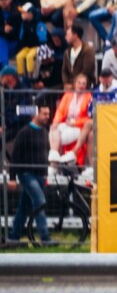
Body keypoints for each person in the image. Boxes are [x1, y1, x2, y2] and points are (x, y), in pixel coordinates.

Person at [7, 99, 52, 243]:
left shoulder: (45, 131)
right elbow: (15, 155)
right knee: (40, 201)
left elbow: (46, 152)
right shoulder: (25, 132)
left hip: (40, 174)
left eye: (48, 114)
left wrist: (46, 173)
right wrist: (12, 177)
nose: (47, 116)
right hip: (26, 173)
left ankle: (14, 235)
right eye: (44, 114)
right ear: (36, 114)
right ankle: (45, 237)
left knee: (24, 207)